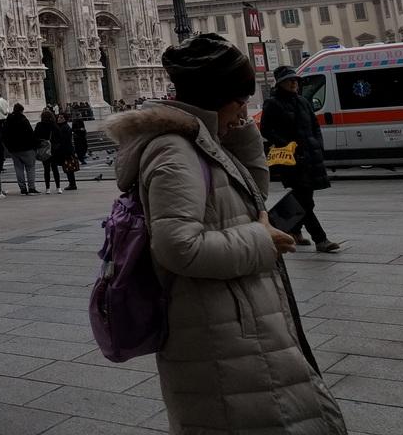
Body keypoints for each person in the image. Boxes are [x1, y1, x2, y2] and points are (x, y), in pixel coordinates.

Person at [106, 34, 345, 435]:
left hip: (233, 319)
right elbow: (177, 246)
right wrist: (262, 241)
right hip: (218, 331)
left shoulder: (199, 141)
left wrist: (237, 131)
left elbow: (252, 196)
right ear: (216, 97)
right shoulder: (174, 152)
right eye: (240, 100)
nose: (245, 109)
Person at [263, 66, 340, 253]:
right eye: (289, 80)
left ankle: (292, 230)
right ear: (280, 83)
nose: (294, 83)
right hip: (292, 159)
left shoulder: (303, 101)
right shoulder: (272, 104)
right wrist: (287, 144)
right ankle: (320, 239)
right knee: (304, 200)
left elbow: (315, 126)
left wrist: (318, 144)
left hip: (311, 157)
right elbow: (266, 129)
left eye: (295, 80)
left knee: (305, 199)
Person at [1, 103, 39, 195]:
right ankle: (31, 188)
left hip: (14, 149)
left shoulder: (8, 121)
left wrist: (9, 147)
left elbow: (4, 135)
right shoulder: (23, 120)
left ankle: (23, 188)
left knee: (18, 169)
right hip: (27, 148)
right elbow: (31, 134)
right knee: (30, 168)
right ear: (21, 111)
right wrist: (35, 146)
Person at [52, 111, 78, 191]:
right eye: (59, 117)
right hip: (66, 150)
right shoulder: (62, 126)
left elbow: (64, 141)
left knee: (69, 168)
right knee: (68, 168)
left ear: (65, 119)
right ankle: (72, 183)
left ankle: (72, 184)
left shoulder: (64, 127)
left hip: (66, 150)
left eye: (61, 117)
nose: (59, 119)